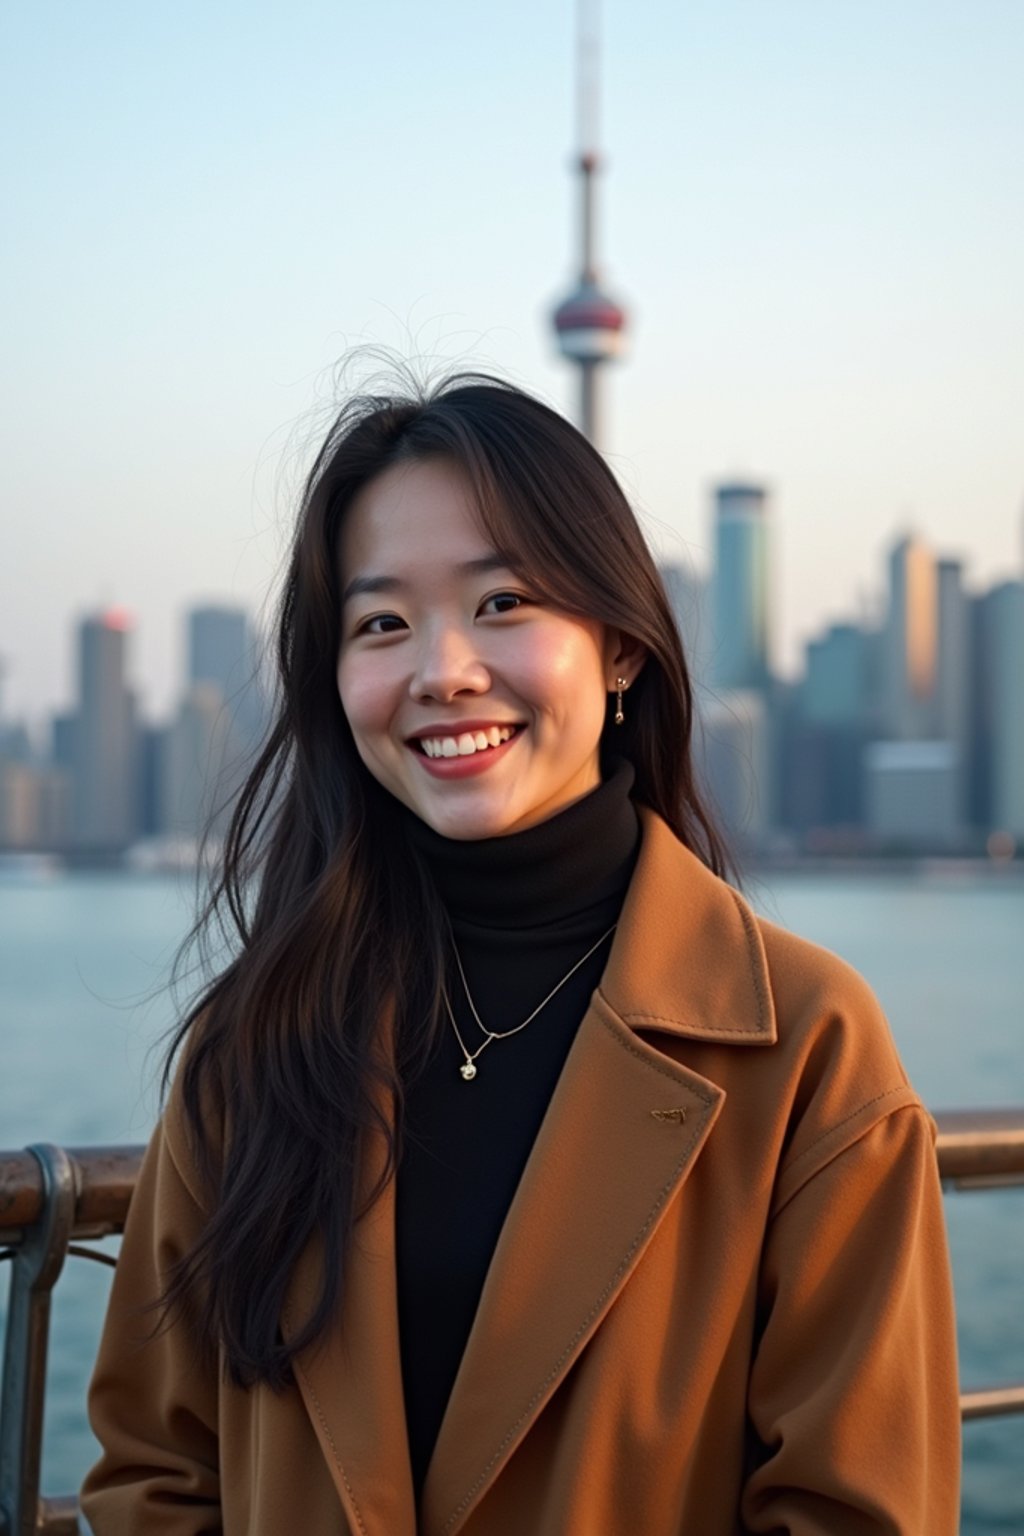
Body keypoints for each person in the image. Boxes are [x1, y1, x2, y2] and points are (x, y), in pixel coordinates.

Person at [81, 374, 961, 1535]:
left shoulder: (808, 1051)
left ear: (621, 652)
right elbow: (155, 1473)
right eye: (382, 623)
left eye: (502, 602)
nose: (442, 669)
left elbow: (858, 1510)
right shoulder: (256, 1045)